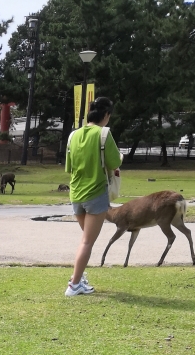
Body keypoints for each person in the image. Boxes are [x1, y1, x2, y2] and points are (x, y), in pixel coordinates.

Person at [64, 96, 121, 296]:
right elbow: (115, 162)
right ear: (106, 115)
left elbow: (69, 167)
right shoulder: (104, 134)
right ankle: (74, 285)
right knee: (87, 242)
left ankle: (77, 278)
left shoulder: (73, 135)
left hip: (76, 193)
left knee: (84, 240)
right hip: (95, 193)